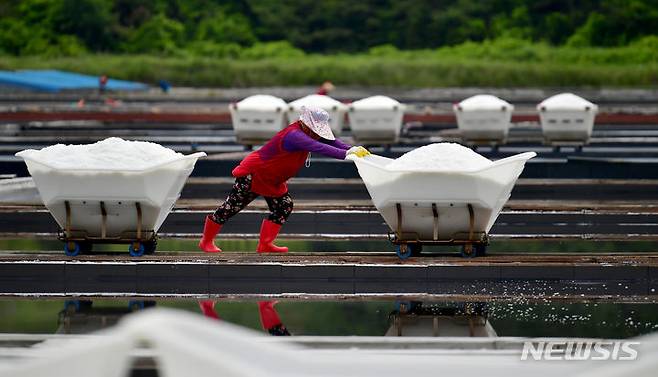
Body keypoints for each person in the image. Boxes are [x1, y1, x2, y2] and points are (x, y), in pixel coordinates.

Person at [199, 106, 370, 253]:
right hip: (255, 173)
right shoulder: (294, 135)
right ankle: (206, 241)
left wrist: (352, 148)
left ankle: (265, 244)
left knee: (284, 205)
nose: (317, 133)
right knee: (231, 207)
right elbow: (318, 147)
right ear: (305, 124)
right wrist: (345, 154)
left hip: (273, 178)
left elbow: (331, 142)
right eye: (315, 129)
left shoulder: (310, 133)